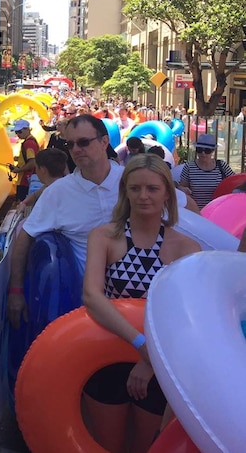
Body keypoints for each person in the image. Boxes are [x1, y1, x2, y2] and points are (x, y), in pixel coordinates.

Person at [82, 154, 200, 453]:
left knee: (144, 446)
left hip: (158, 365)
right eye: (135, 189)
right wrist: (140, 346)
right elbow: (92, 296)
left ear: (167, 195)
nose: (143, 196)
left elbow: (184, 318)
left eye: (152, 189)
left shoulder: (186, 248)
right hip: (106, 355)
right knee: (106, 445)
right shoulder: (105, 236)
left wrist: (150, 361)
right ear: (125, 192)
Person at [8, 115, 124, 329]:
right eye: (70, 144)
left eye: (83, 142)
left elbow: (179, 206)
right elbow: (26, 235)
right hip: (85, 310)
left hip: (133, 299)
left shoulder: (130, 182)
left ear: (104, 142)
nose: (76, 149)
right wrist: (16, 290)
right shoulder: (58, 193)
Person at [178, 134, 235, 209]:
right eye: (200, 150)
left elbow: (235, 184)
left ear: (213, 151)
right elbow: (181, 186)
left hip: (217, 211)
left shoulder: (222, 166)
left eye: (207, 151)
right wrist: (183, 189)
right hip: (196, 213)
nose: (203, 153)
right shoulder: (189, 167)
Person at [18, 148, 69, 212]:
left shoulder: (49, 194)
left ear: (42, 170)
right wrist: (24, 203)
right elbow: (35, 195)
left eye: (36, 168)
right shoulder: (51, 185)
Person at [9, 120, 39, 202]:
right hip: (27, 178)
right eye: (16, 132)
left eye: (19, 132)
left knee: (21, 201)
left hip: (25, 180)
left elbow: (32, 162)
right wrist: (18, 158)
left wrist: (18, 170)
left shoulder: (28, 143)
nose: (18, 134)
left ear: (27, 129)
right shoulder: (30, 141)